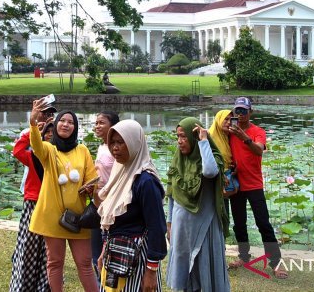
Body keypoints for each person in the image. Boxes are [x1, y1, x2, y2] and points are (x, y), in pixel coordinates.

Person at [28, 102, 99, 292]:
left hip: (79, 217)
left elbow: (92, 178)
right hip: (52, 218)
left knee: (84, 263)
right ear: (56, 124)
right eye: (62, 121)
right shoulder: (49, 150)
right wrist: (33, 123)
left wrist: (91, 188)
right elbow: (35, 145)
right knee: (55, 262)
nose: (66, 125)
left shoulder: (82, 150)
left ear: (75, 127)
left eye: (70, 122)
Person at [96, 119, 167, 292]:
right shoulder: (120, 172)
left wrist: (151, 270)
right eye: (112, 142)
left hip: (137, 258)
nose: (115, 148)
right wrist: (104, 251)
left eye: (121, 142)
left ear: (135, 143)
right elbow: (112, 220)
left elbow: (157, 227)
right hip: (116, 254)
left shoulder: (146, 181)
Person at [224, 97, 287, 278]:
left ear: (251, 112)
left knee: (263, 223)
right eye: (238, 111)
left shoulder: (257, 131)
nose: (241, 114)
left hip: (254, 184)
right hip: (236, 185)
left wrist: (244, 138)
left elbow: (259, 150)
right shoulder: (229, 133)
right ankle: (243, 256)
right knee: (239, 224)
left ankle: (276, 263)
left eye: (244, 111)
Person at [165, 117, 230, 292]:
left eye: (184, 136)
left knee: (205, 273)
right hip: (182, 225)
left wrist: (203, 141)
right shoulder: (178, 160)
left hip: (205, 225)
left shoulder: (210, 156)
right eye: (177, 137)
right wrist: (170, 223)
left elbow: (209, 172)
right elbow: (172, 194)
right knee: (185, 275)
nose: (179, 141)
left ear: (194, 137)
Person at [9, 119, 54, 292]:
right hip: (33, 203)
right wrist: (32, 131)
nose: (50, 135)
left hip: (51, 206)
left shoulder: (59, 156)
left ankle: (45, 286)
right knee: (28, 246)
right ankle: (23, 286)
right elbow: (18, 150)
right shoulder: (32, 155)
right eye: (47, 132)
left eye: (52, 132)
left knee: (48, 250)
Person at [91, 111, 119, 275]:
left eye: (101, 123)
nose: (97, 126)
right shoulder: (102, 147)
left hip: (111, 205)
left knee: (106, 248)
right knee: (95, 252)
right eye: (96, 123)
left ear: (113, 126)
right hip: (97, 203)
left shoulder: (117, 149)